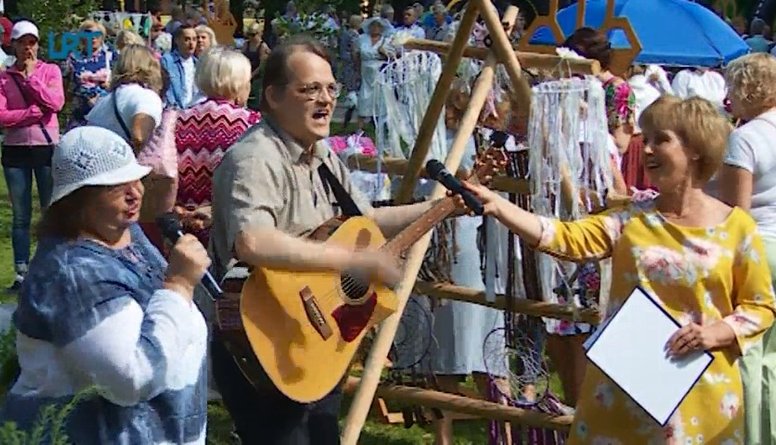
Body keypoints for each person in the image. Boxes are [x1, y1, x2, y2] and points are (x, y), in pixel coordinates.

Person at [455, 95, 776, 443]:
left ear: (696, 149)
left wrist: (718, 332)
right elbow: (564, 237)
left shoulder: (737, 227)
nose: (647, 150)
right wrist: (499, 206)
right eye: (647, 139)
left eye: (661, 140)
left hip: (701, 395)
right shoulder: (632, 221)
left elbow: (761, 306)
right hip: (625, 392)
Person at [208, 34, 454, 444]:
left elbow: (367, 219)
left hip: (316, 338)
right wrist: (349, 262)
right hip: (264, 336)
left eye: (330, 88)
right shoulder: (254, 159)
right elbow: (252, 242)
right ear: (272, 96)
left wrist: (442, 208)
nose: (324, 100)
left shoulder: (322, 155)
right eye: (309, 89)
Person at [0, 126, 211, 444]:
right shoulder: (72, 273)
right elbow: (130, 380)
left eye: (136, 178)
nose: (135, 192)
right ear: (77, 199)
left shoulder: (124, 233)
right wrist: (179, 284)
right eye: (115, 185)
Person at [714, 52, 776, 445]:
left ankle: (752, 436)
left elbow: (738, 213)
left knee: (750, 352)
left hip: (762, 247)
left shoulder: (745, 137)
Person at [0, 20, 64, 292]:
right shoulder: (3, 78)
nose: (28, 48)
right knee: (21, 215)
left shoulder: (50, 71)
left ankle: (51, 265)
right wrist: (30, 115)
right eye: (22, 42)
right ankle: (22, 270)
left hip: (45, 147)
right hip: (15, 151)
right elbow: (2, 116)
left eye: (32, 42)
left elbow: (55, 103)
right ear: (12, 44)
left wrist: (31, 80)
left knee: (51, 211)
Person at [175, 47, 261, 248]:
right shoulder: (252, 123)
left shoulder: (176, 119)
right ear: (240, 83)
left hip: (181, 224)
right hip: (226, 225)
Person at [64, 19, 112, 130]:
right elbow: (65, 87)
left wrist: (110, 85)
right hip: (80, 115)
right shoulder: (73, 58)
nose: (93, 37)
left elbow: (121, 82)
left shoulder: (110, 57)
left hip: (105, 115)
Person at [160, 24, 199, 108]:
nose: (191, 43)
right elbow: (167, 90)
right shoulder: (167, 61)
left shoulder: (198, 64)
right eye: (187, 39)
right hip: (174, 110)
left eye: (194, 39)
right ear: (177, 40)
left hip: (192, 111)